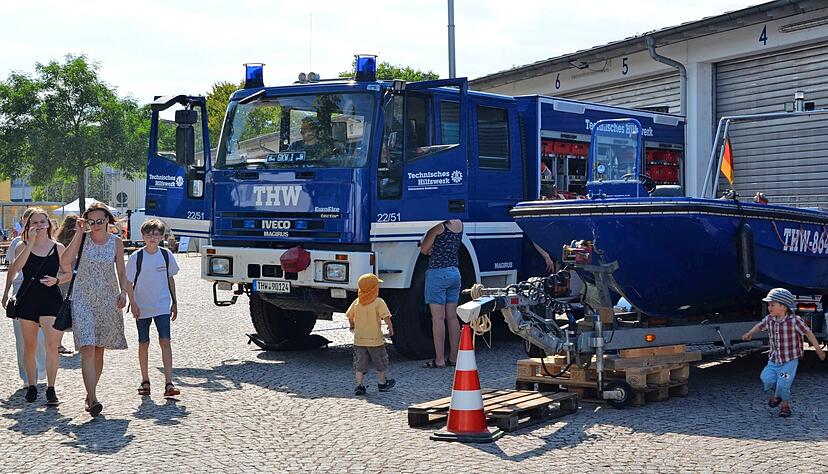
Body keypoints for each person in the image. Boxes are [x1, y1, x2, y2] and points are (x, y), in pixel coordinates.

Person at [60, 202, 132, 417]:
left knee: (99, 349)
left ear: (107, 220)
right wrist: (78, 234)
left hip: (107, 299)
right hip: (83, 298)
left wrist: (124, 292)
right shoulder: (82, 239)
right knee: (87, 348)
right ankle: (93, 399)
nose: (96, 225)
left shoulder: (116, 242)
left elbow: (121, 271)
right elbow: (65, 261)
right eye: (91, 222)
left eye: (100, 221)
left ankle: (90, 394)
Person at [1, 208, 69, 405]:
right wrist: (30, 242)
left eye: (42, 222)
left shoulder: (58, 247)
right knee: (29, 345)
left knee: (51, 345)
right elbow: (16, 268)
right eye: (35, 222)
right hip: (28, 298)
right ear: (28, 225)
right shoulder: (22, 245)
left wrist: (57, 280)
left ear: (48, 224)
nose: (39, 225)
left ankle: (51, 388)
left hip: (50, 299)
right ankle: (31, 385)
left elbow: (68, 273)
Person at [741, 288, 825, 417]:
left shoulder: (794, 320)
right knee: (766, 379)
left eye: (772, 305)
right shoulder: (769, 319)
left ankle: (785, 406)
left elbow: (808, 333)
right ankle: (777, 395)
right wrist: (750, 333)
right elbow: (760, 326)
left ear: (784, 307)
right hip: (774, 360)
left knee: (783, 382)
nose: (769, 307)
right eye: (769, 304)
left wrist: (818, 349)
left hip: (789, 361)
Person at [126, 219, 181, 398]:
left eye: (156, 234)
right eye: (149, 234)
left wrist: (175, 302)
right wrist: (133, 303)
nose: (152, 237)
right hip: (142, 306)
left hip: (162, 305)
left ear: (162, 237)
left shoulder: (166, 255)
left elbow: (170, 279)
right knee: (143, 343)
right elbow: (128, 282)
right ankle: (145, 380)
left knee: (165, 341)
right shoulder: (136, 257)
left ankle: (169, 383)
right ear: (142, 236)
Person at [2, 208, 47, 388]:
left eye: (38, 222)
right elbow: (12, 269)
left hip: (42, 292)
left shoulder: (50, 243)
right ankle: (27, 376)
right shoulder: (17, 243)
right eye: (30, 222)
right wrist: (6, 292)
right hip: (21, 291)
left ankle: (41, 369)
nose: (35, 226)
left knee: (41, 338)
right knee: (22, 338)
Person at [420, 219, 464, 368]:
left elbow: (424, 249)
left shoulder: (438, 226)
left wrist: (429, 249)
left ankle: (439, 359)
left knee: (438, 318)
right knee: (452, 317)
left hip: (438, 274)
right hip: (455, 273)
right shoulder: (460, 224)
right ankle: (454, 357)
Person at [346, 273, 395, 395]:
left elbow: (350, 315)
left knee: (360, 363)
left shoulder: (357, 302)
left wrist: (352, 325)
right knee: (381, 361)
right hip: (375, 340)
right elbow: (386, 316)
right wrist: (390, 326)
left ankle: (359, 385)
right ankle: (382, 383)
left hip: (359, 340)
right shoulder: (379, 302)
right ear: (374, 289)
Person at [54, 215, 80, 355]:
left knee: (62, 311)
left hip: (62, 277)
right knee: (73, 311)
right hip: (72, 277)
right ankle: (79, 343)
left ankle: (57, 344)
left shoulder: (59, 239)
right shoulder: (77, 238)